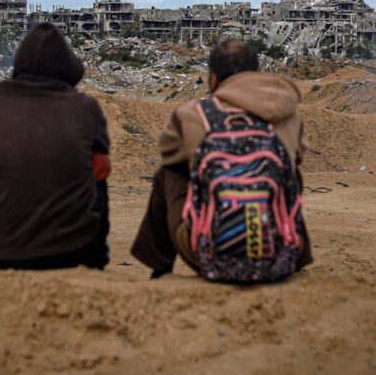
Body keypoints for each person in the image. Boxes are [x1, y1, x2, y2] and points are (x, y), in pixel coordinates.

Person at [131, 39, 312, 278]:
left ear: (214, 80)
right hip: (280, 256)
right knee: (290, 171)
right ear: (256, 74)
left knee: (169, 172)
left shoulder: (192, 115)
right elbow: (298, 157)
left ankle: (159, 265)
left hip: (209, 257)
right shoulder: (287, 116)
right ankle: (298, 256)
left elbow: (167, 151)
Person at [0, 23, 111, 271]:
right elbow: (100, 159)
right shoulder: (85, 107)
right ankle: (97, 253)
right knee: (100, 165)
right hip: (72, 251)